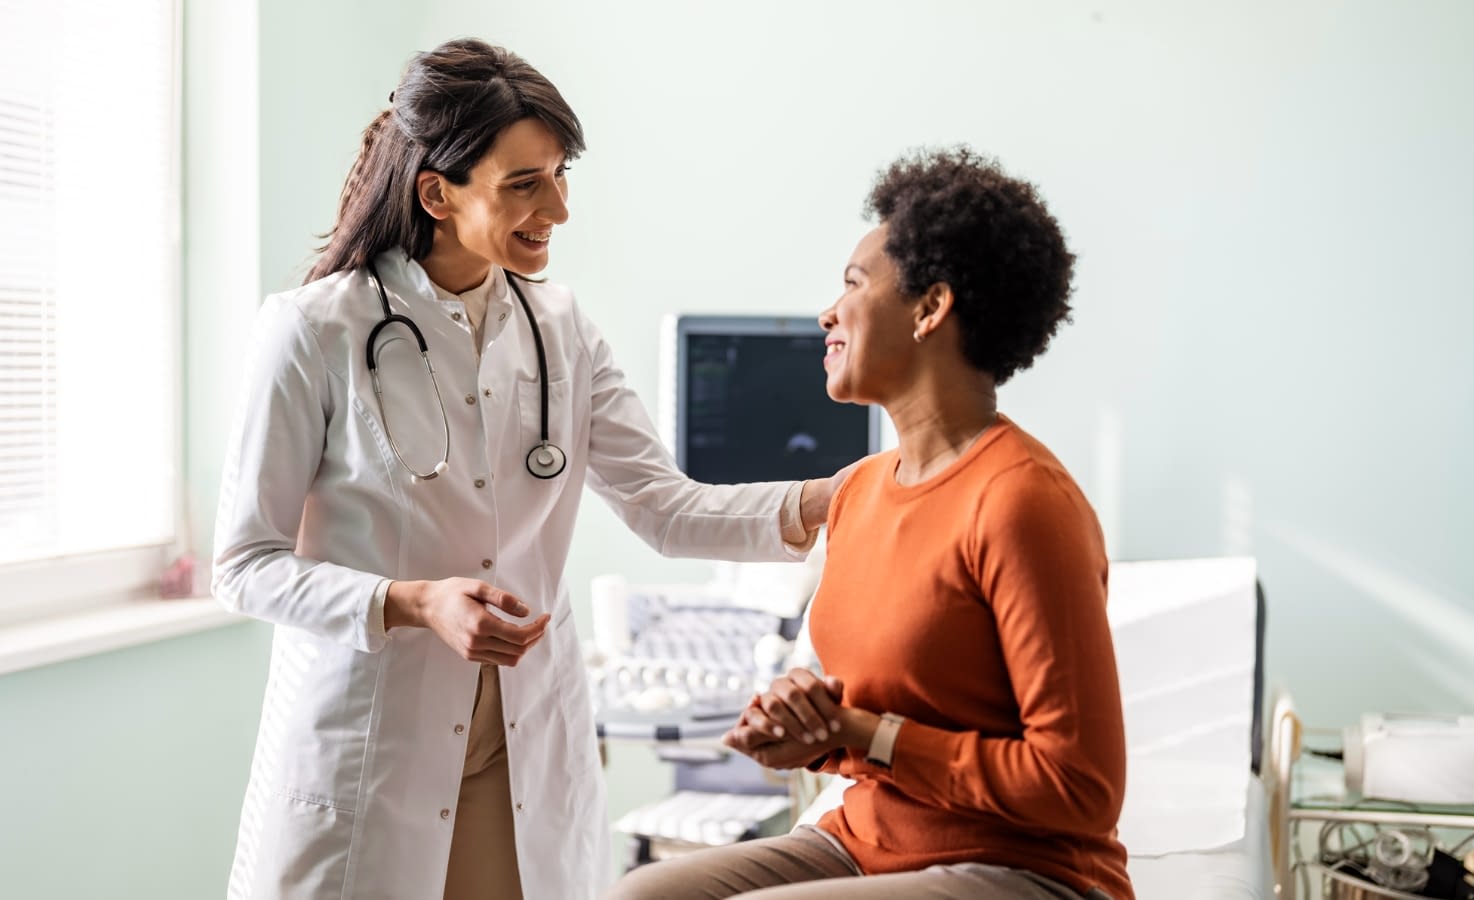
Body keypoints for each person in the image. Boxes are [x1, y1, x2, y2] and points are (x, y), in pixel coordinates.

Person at [212, 38, 844, 900]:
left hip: (521, 744)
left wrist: (845, 500)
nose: (558, 208)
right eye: (524, 184)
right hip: (374, 746)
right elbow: (243, 567)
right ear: (437, 191)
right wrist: (411, 601)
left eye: (559, 175)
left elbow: (666, 508)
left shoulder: (560, 327)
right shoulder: (315, 331)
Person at [603, 147, 1132, 900]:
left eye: (853, 285)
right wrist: (808, 726)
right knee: (637, 896)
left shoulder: (1023, 501)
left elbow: (1080, 786)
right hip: (869, 839)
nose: (828, 312)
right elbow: (875, 711)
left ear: (930, 308)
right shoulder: (859, 492)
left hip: (1021, 866)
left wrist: (860, 737)